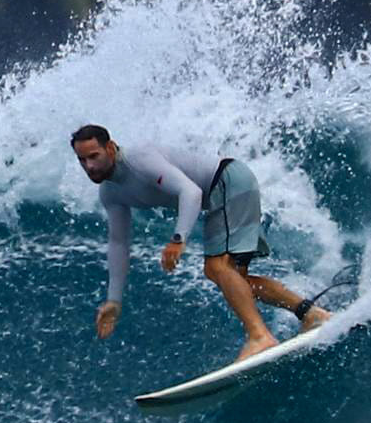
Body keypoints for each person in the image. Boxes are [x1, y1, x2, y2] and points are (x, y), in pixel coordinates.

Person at [69, 123, 327, 361]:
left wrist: (178, 239)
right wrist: (114, 300)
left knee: (218, 269)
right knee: (234, 279)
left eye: (94, 156)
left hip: (227, 181)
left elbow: (190, 192)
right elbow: (118, 244)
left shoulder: (139, 159)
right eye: (82, 159)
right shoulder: (111, 193)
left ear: (110, 147)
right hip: (223, 192)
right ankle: (310, 314)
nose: (89, 166)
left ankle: (260, 337)